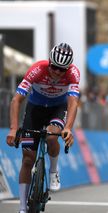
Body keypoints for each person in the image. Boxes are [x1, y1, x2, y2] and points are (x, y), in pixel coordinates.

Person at [6, 43, 80, 213]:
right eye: (54, 67)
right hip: (35, 110)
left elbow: (73, 102)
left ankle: (54, 170)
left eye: (62, 69)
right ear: (49, 62)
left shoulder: (73, 73)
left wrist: (68, 127)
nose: (58, 73)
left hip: (57, 109)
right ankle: (23, 207)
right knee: (27, 159)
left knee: (52, 136)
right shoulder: (37, 69)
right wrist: (13, 128)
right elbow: (16, 100)